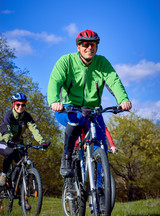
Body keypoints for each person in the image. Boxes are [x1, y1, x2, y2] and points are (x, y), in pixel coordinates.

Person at [47, 29, 132, 178]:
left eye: (93, 45)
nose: (89, 48)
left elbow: (114, 81)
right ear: (78, 47)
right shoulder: (66, 61)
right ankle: (67, 157)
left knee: (101, 146)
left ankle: (99, 191)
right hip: (68, 109)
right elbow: (55, 81)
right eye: (85, 44)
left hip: (93, 110)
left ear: (97, 47)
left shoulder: (102, 63)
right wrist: (54, 101)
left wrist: (123, 99)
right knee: (77, 119)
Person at [0, 93, 47, 190]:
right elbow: (5, 129)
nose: (20, 107)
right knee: (10, 152)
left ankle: (21, 194)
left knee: (22, 162)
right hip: (3, 141)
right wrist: (8, 140)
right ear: (14, 105)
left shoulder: (27, 116)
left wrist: (42, 142)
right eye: (18, 104)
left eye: (23, 105)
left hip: (17, 142)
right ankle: (4, 175)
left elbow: (34, 129)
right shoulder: (8, 115)